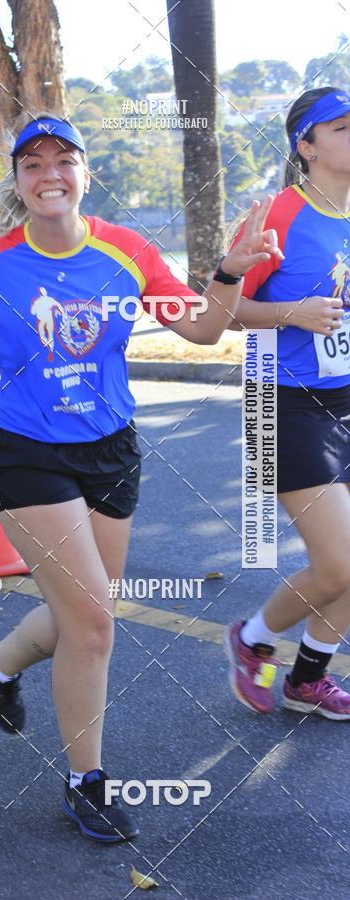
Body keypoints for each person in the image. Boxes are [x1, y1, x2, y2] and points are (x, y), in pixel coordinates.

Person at [0, 114, 282, 842]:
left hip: (112, 451)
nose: (49, 173)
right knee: (92, 622)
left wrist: (228, 271)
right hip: (29, 455)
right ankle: (86, 783)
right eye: (33, 163)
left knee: (84, 611)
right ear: (18, 181)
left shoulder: (128, 250)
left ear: (84, 174)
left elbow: (202, 330)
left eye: (64, 159)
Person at [224, 86, 350, 721]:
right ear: (307, 146)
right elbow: (221, 311)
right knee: (339, 563)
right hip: (284, 404)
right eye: (343, 128)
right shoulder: (277, 215)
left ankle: (307, 680)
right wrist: (292, 313)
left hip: (346, 397)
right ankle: (251, 640)